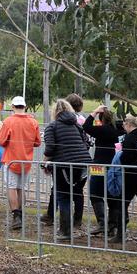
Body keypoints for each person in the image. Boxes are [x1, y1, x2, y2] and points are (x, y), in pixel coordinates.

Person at [43, 99, 92, 241]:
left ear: (54, 112)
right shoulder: (77, 125)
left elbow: (50, 148)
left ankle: (65, 231)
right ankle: (76, 221)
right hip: (83, 165)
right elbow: (85, 143)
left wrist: (44, 164)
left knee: (63, 197)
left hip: (64, 166)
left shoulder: (52, 127)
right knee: (76, 193)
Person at [0, 96, 41, 229]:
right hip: (26, 160)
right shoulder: (33, 122)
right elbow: (37, 142)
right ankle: (20, 214)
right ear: (25, 106)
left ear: (13, 107)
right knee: (21, 188)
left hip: (11, 160)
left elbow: (1, 141)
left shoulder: (8, 121)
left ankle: (16, 215)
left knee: (11, 187)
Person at [108, 115, 137, 243]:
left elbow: (125, 158)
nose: (123, 127)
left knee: (122, 203)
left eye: (124, 125)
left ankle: (120, 235)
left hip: (133, 175)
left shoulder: (130, 138)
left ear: (129, 125)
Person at [82, 105, 122, 235]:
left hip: (99, 165)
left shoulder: (102, 130)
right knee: (112, 195)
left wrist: (94, 112)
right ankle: (112, 225)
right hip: (115, 166)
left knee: (94, 192)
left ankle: (102, 223)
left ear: (102, 119)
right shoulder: (119, 130)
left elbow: (86, 126)